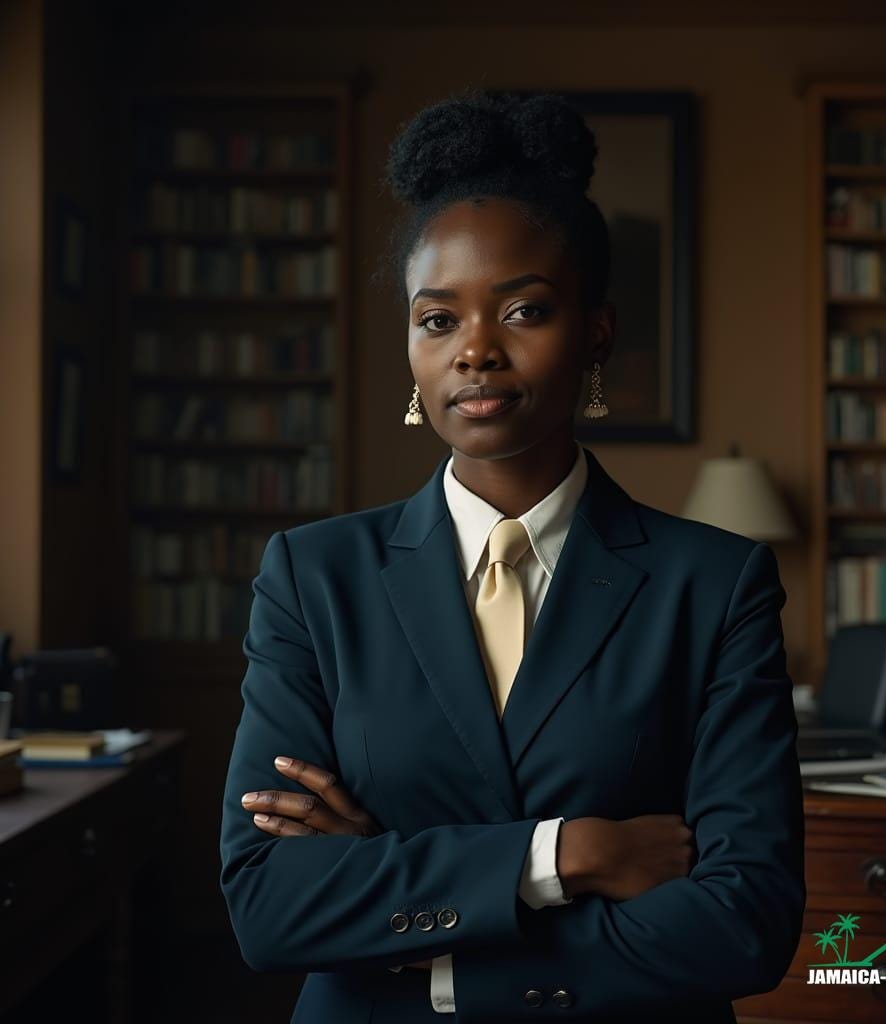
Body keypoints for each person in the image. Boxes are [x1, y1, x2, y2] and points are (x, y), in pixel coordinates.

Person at [219, 88, 805, 1024]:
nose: (475, 353)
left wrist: (422, 933)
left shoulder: (715, 584)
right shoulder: (311, 577)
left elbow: (746, 921)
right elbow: (269, 905)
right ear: (411, 345)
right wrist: (566, 855)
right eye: (438, 319)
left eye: (524, 311)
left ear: (596, 333)